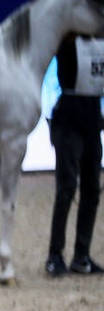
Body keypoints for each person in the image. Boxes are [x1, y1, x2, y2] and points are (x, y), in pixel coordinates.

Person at [46, 31, 104, 276]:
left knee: (92, 189)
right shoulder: (67, 41)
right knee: (67, 187)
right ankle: (55, 255)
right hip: (69, 120)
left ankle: (82, 255)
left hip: (92, 119)